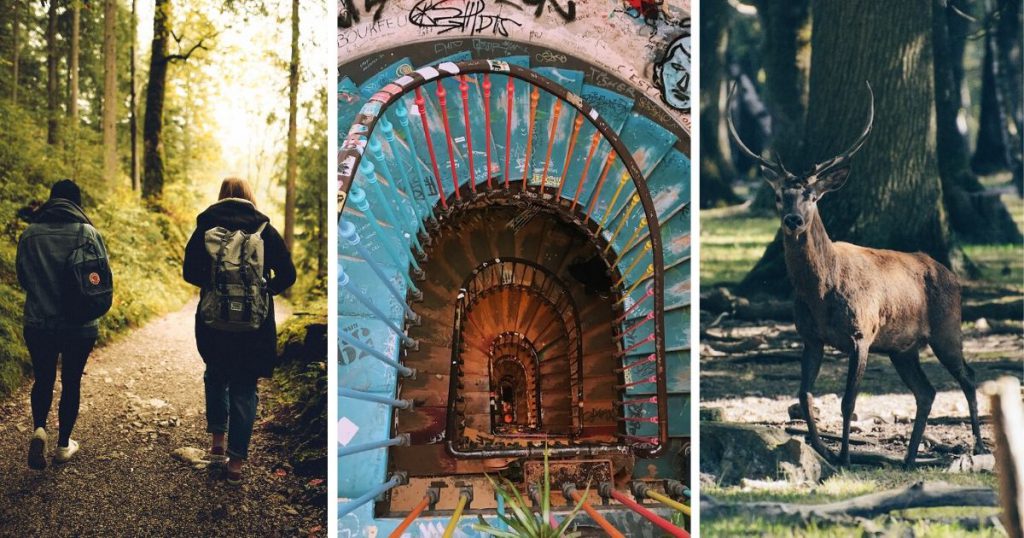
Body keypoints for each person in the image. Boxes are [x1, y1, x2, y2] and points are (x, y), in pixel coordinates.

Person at [183, 178, 296, 485]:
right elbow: (288, 275)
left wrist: (215, 284)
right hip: (253, 327)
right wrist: (263, 290)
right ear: (250, 197)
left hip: (213, 323)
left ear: (221, 197)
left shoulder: (205, 230)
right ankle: (236, 464)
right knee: (245, 387)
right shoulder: (264, 231)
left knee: (215, 375)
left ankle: (217, 442)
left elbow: (189, 272)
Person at [16, 179, 109, 469]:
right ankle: (62, 445)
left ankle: (40, 429)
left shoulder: (30, 234)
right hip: (79, 325)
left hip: (38, 322)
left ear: (51, 200)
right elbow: (102, 278)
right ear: (77, 204)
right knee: (71, 382)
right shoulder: (87, 232)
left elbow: (23, 278)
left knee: (43, 378)